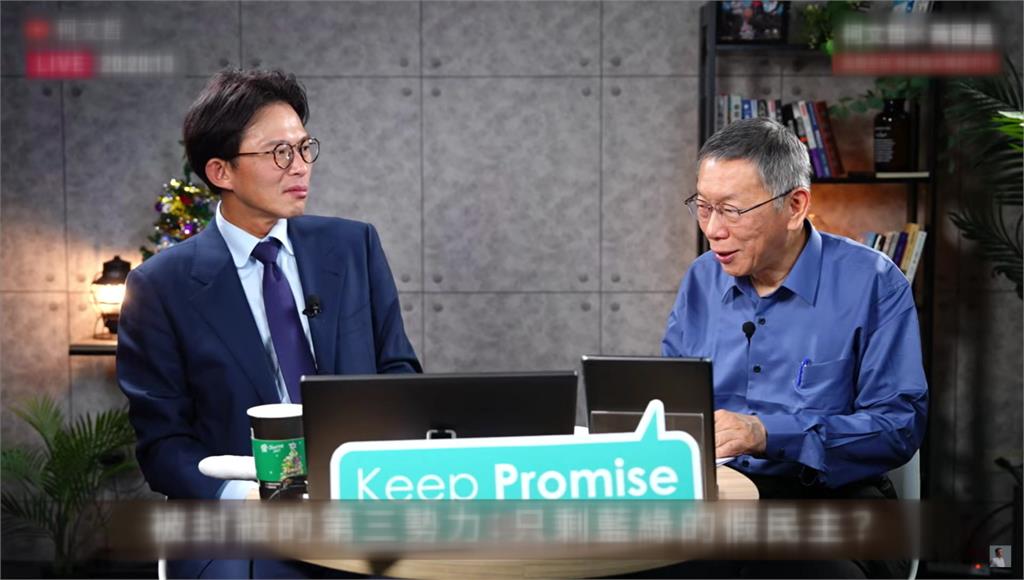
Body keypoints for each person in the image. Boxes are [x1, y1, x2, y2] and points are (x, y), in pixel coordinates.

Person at [117, 69, 421, 578]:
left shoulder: (354, 247)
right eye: (279, 152)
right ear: (221, 171)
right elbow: (163, 445)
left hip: (358, 503)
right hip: (242, 527)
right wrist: (247, 499)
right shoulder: (160, 286)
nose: (299, 166)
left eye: (304, 148)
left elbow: (399, 374)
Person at [660, 118, 928, 577]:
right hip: (721, 502)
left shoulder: (875, 282)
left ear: (795, 205)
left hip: (835, 506)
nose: (713, 230)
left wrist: (768, 434)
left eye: (731, 210)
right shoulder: (702, 279)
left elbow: (897, 427)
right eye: (703, 208)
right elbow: (672, 407)